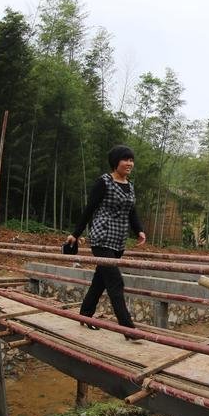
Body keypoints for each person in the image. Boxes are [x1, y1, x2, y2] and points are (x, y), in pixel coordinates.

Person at [65, 145, 146, 341]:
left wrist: (139, 230)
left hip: (118, 240)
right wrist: (76, 234)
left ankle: (85, 314)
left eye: (131, 160)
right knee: (115, 281)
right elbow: (89, 208)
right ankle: (128, 329)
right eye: (125, 159)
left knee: (100, 280)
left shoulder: (130, 185)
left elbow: (131, 211)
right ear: (115, 162)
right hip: (101, 238)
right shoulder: (104, 182)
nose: (129, 163)